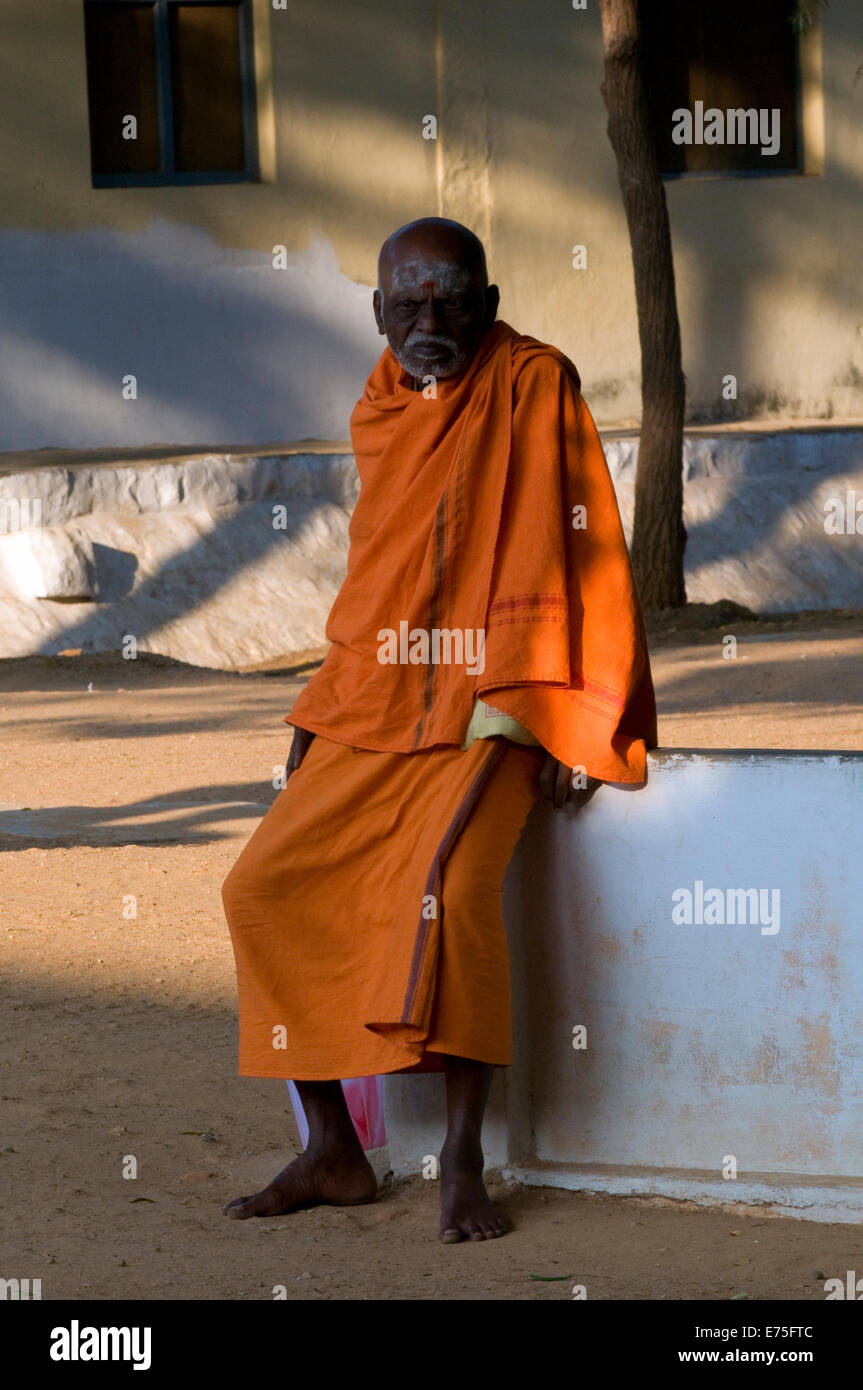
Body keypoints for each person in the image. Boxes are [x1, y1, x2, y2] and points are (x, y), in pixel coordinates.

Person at [221, 216, 657, 1242]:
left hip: (494, 700)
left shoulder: (533, 383)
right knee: (261, 888)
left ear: (488, 305)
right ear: (376, 314)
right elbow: (376, 578)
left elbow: (586, 553)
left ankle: (462, 1158)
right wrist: (319, 709)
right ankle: (333, 1148)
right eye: (407, 305)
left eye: (450, 301)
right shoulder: (378, 405)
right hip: (370, 705)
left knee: (450, 898)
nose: (429, 323)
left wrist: (573, 715)